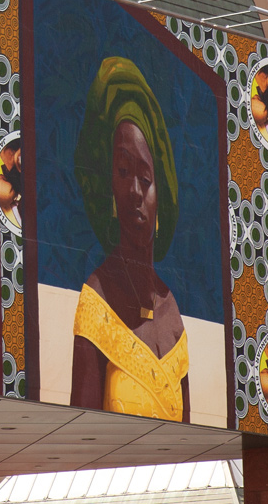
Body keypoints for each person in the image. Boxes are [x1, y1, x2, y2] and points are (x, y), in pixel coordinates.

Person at [68, 57, 190, 422]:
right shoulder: (95, 304)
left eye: (146, 178)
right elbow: (81, 443)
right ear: (110, 186)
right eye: (123, 172)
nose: (135, 191)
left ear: (160, 195)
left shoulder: (173, 318)